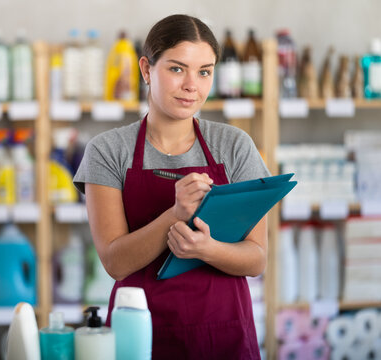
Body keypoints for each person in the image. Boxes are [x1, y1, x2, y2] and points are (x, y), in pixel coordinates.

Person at [74, 14, 269, 359]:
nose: (192, 85)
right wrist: (175, 215)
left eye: (204, 71)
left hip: (224, 334)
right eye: (177, 69)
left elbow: (256, 260)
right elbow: (115, 263)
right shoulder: (107, 151)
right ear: (147, 69)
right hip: (141, 336)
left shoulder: (234, 146)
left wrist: (206, 249)